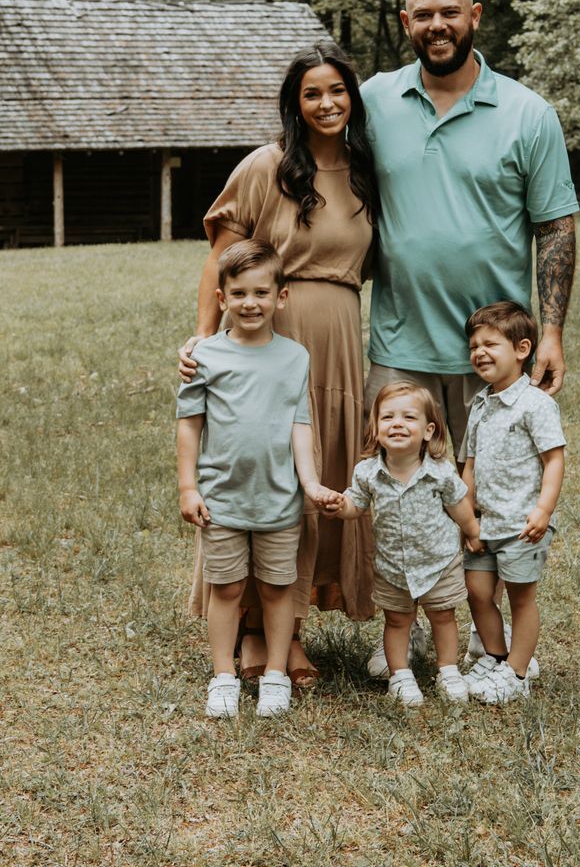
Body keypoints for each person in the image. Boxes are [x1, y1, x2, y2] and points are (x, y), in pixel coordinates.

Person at [357, 0, 579, 677]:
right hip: (400, 340)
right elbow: (322, 173)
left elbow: (557, 226)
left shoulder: (525, 112)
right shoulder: (373, 103)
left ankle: (501, 645)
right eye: (423, 15)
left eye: (450, 13)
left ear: (475, 15)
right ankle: (409, 629)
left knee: (489, 498)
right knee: (403, 495)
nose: (437, 27)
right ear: (405, 23)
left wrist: (549, 331)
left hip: (493, 355)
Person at [181, 42, 379, 683]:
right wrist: (203, 340)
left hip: (340, 341)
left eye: (338, 91)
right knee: (267, 482)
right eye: (312, 93)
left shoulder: (363, 170)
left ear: (354, 98)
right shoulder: (267, 166)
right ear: (295, 104)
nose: (327, 104)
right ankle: (259, 635)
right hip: (269, 342)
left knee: (313, 481)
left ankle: (287, 626)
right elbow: (221, 258)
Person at [176, 240, 331, 718]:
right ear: (222, 298)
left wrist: (309, 483)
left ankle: (276, 673)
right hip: (222, 497)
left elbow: (299, 423)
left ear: (280, 297)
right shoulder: (206, 356)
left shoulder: (295, 357)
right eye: (239, 293)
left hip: (279, 500)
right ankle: (223, 674)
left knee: (276, 588)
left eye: (261, 292)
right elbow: (190, 423)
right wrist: (188, 486)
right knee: (225, 588)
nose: (250, 302)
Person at [317, 380, 485, 707]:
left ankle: (448, 670)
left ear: (428, 431)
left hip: (439, 563)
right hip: (393, 566)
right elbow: (357, 505)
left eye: (409, 417)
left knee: (443, 616)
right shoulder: (367, 473)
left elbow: (459, 505)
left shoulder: (439, 471)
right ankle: (401, 675)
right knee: (396, 621)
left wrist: (473, 531)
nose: (397, 424)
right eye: (388, 417)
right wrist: (341, 508)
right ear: (376, 428)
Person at [457, 300, 566, 704]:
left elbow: (553, 460)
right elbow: (468, 464)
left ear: (522, 350)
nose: (479, 353)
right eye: (473, 346)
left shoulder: (536, 404)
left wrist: (543, 510)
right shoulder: (480, 404)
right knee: (477, 591)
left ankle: (517, 673)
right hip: (484, 524)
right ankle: (496, 655)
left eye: (490, 344)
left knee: (521, 598)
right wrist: (468, 518)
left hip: (523, 524)